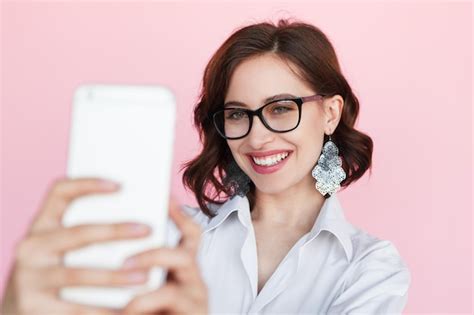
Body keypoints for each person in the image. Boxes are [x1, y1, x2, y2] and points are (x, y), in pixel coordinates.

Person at [1, 18, 411, 314]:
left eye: (281, 108)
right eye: (237, 114)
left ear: (330, 113)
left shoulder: (371, 268)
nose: (256, 138)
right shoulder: (170, 238)